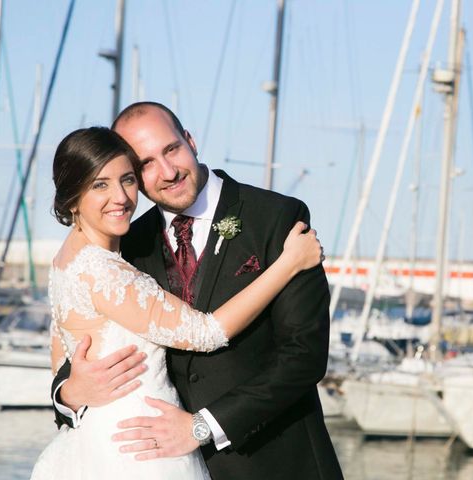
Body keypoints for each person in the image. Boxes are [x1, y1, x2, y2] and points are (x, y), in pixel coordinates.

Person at [51, 103, 344, 479]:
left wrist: (202, 426)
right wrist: (68, 394)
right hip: (155, 464)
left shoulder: (275, 217)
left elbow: (304, 356)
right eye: (146, 164)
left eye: (171, 150)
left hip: (275, 463)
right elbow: (75, 343)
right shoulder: (128, 242)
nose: (168, 172)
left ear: (190, 140)